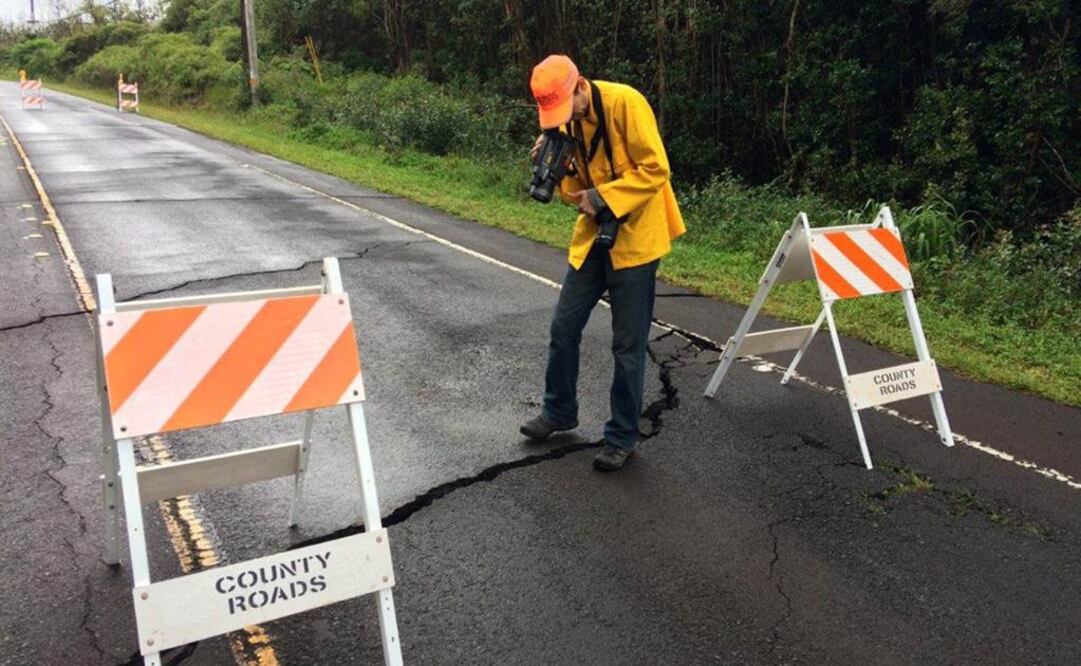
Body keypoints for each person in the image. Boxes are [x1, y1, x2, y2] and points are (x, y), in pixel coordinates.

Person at [520, 54, 685, 471]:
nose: (561, 118)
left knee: (627, 345)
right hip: (595, 235)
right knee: (563, 326)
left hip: (636, 238)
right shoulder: (565, 123)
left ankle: (622, 436)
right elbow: (572, 197)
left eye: (563, 106)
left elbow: (656, 169)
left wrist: (603, 196)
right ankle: (559, 411)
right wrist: (559, 168)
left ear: (580, 86)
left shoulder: (625, 102)